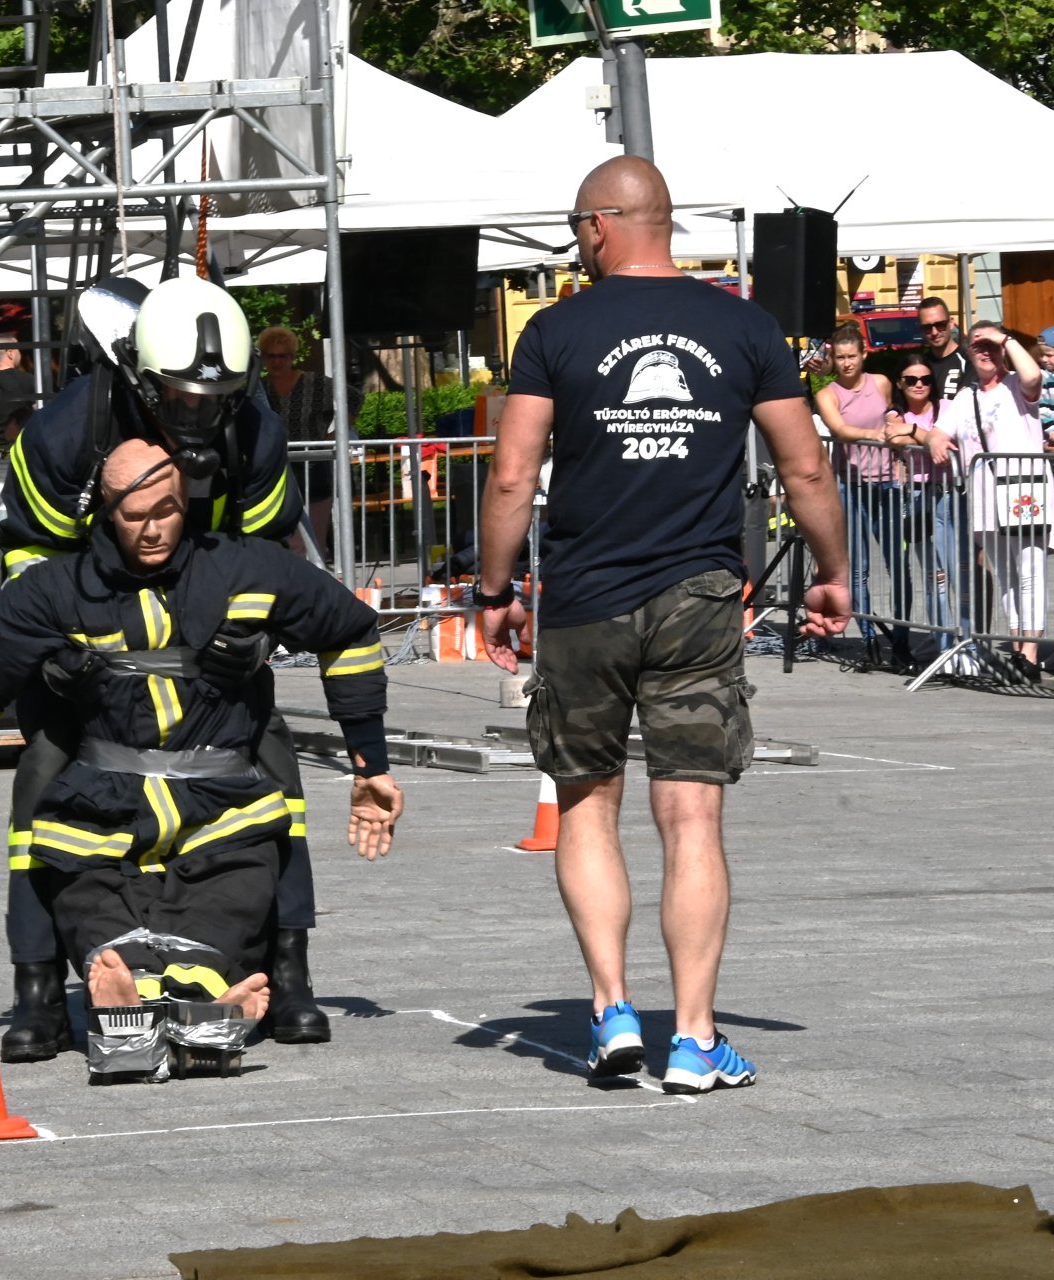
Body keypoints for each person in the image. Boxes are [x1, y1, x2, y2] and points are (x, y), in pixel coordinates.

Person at [478, 156, 849, 1096]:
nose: (574, 242)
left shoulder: (559, 330)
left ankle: (611, 1013)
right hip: (698, 595)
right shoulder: (744, 325)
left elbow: (514, 475)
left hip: (586, 599)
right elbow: (804, 469)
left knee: (586, 804)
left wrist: (494, 589)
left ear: (604, 224)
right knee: (691, 815)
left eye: (574, 227)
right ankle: (692, 1037)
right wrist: (835, 573)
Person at [0, 440, 401, 1073]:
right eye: (133, 514)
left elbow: (349, 631)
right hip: (100, 804)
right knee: (91, 899)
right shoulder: (50, 591)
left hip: (223, 806)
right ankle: (156, 997)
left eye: (167, 511)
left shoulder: (249, 570)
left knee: (228, 901)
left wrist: (370, 765)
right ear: (102, 513)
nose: (152, 530)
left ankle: (165, 1001)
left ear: (188, 505)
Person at [0, 274, 329, 1062]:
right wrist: (58, 657)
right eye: (180, 399)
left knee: (278, 767)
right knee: (39, 778)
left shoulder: (256, 430)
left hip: (209, 642)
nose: (202, 415)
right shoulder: (65, 434)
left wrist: (259, 637)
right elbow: (27, 559)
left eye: (218, 397)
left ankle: (291, 969)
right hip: (90, 642)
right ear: (140, 380)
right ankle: (37, 987)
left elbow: (263, 557)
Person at [927, 320, 1048, 681]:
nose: (986, 352)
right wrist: (934, 438)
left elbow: (1032, 376)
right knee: (1008, 577)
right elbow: (940, 429)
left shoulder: (1015, 385)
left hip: (1024, 489)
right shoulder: (967, 396)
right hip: (985, 495)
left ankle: (1031, 652)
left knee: (1030, 571)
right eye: (978, 347)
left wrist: (1005, 339)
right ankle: (1016, 648)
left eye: (992, 346)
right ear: (967, 354)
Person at [814, 324, 912, 672]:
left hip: (885, 483)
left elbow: (893, 414)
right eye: (840, 358)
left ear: (863, 355)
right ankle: (869, 640)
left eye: (852, 356)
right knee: (859, 571)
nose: (846, 364)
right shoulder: (829, 394)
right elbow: (839, 430)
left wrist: (892, 420)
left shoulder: (881, 383)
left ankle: (901, 642)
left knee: (898, 567)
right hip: (851, 487)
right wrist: (874, 435)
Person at [885, 354, 957, 656]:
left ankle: (966, 640)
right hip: (916, 497)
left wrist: (914, 433)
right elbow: (892, 437)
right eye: (912, 379)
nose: (919, 385)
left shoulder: (947, 410)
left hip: (950, 496)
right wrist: (925, 438)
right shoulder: (895, 416)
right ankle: (944, 644)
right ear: (901, 383)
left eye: (926, 379)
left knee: (958, 570)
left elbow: (950, 442)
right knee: (934, 574)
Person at [255, 325, 337, 559]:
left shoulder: (316, 383)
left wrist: (334, 435)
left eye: (283, 356)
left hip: (313, 468)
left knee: (315, 539)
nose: (277, 361)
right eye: (271, 355)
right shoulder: (259, 387)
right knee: (285, 540)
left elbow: (353, 398)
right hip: (275, 467)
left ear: (292, 356)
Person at [918, 296, 972, 405]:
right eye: (927, 327)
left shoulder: (969, 360)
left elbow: (966, 403)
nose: (934, 332)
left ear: (951, 323)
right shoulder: (921, 365)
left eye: (940, 325)